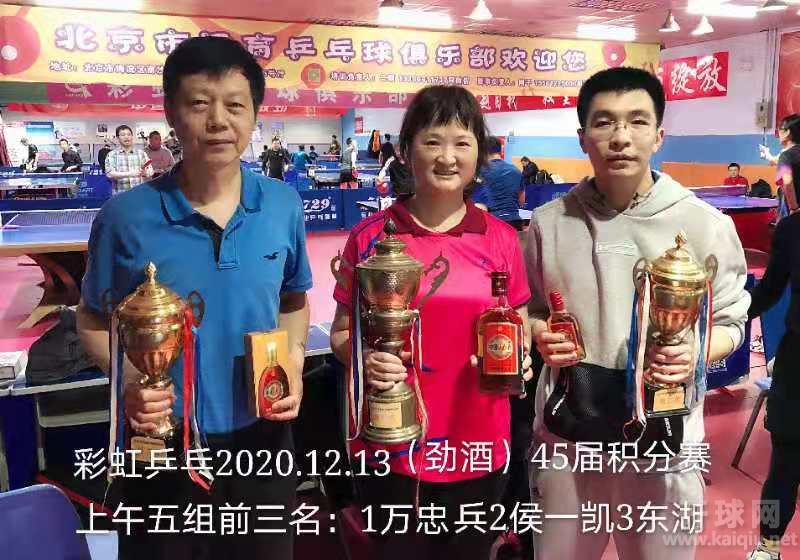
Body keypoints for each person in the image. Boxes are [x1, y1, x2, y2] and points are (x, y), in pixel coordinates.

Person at [76, 36, 312, 560]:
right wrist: (132, 380)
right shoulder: (124, 218)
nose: (218, 121)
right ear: (171, 113)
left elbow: (293, 299)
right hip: (163, 444)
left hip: (263, 442)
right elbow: (92, 319)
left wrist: (294, 361)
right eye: (200, 103)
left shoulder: (283, 205)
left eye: (235, 105)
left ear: (254, 115)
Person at [524, 67, 749, 560]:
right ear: (582, 137)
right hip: (570, 440)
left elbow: (732, 322)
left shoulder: (706, 226)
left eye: (637, 121)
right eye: (604, 122)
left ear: (658, 135)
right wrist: (538, 331)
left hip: (665, 440)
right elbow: (529, 308)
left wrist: (694, 351)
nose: (621, 137)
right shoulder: (548, 224)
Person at [330, 85, 533, 560]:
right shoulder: (369, 239)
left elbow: (518, 323)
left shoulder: (501, 240)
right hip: (390, 446)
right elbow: (341, 331)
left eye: (462, 142)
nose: (447, 157)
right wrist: (362, 357)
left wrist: (519, 356)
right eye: (432, 141)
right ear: (406, 149)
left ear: (479, 153)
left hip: (477, 444)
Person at [746, 210, 800, 560]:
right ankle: (768, 545)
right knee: (783, 466)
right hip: (797, 366)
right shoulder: (792, 228)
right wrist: (722, 314)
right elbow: (768, 291)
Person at [472, 136, 525, 230]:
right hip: (514, 222)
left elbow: (476, 204)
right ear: (500, 150)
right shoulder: (516, 171)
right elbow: (521, 201)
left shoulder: (479, 171)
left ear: (483, 151)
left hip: (491, 222)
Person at [760, 114, 800, 219]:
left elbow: (787, 182)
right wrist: (767, 154)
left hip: (791, 205)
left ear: (787, 132)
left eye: (779, 130)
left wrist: (794, 208)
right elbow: (775, 160)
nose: (778, 134)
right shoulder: (787, 154)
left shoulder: (786, 155)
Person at [105, 124, 153, 193]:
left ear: (132, 136)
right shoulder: (112, 155)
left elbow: (151, 171)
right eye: (123, 135)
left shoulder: (141, 153)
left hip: (138, 193)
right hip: (120, 195)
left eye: (129, 134)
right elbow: (109, 174)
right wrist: (131, 173)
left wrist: (146, 173)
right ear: (118, 138)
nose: (126, 137)